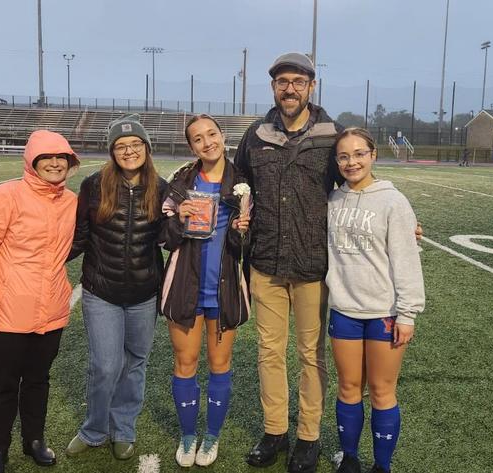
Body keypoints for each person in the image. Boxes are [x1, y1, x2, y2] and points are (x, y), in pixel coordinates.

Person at [234, 51, 342, 473]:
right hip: (266, 261)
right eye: (283, 82)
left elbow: (355, 184)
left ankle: (308, 437)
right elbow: (237, 183)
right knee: (269, 352)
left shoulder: (333, 135)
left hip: (313, 263)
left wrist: (395, 217)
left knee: (311, 354)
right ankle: (275, 429)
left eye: (298, 81)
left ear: (311, 87)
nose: (290, 89)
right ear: (274, 87)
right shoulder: (256, 134)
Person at [0, 130, 81, 473]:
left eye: (62, 157)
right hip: (8, 310)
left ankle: (34, 441)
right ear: (31, 161)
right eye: (46, 157)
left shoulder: (71, 201)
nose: (55, 163)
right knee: (3, 384)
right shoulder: (4, 196)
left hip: (52, 310)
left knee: (38, 380)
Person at [65, 114, 168, 461]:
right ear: (112, 151)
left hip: (143, 293)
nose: (129, 151)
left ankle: (123, 428)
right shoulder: (94, 185)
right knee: (105, 365)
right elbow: (80, 236)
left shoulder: (162, 187)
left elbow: (167, 240)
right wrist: (40, 259)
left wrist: (187, 223)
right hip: (102, 290)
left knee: (135, 363)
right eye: (121, 146)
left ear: (146, 148)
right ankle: (94, 428)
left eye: (135, 144)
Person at [326, 128, 425, 473]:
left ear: (373, 156)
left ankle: (382, 466)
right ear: (336, 161)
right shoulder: (333, 200)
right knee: (349, 386)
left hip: (384, 312)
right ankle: (350, 458)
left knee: (383, 391)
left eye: (358, 154)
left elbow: (407, 260)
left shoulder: (393, 201)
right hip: (344, 310)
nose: (351, 162)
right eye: (343, 156)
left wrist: (407, 313)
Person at [159, 114, 252, 467]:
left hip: (224, 288)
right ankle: (187, 436)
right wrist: (178, 219)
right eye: (198, 138)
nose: (207, 142)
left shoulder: (241, 183)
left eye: (211, 134)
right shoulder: (181, 181)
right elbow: (164, 238)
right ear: (191, 146)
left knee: (219, 363)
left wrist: (243, 230)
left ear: (222, 135)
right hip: (185, 286)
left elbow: (247, 245)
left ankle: (211, 435)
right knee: (185, 362)